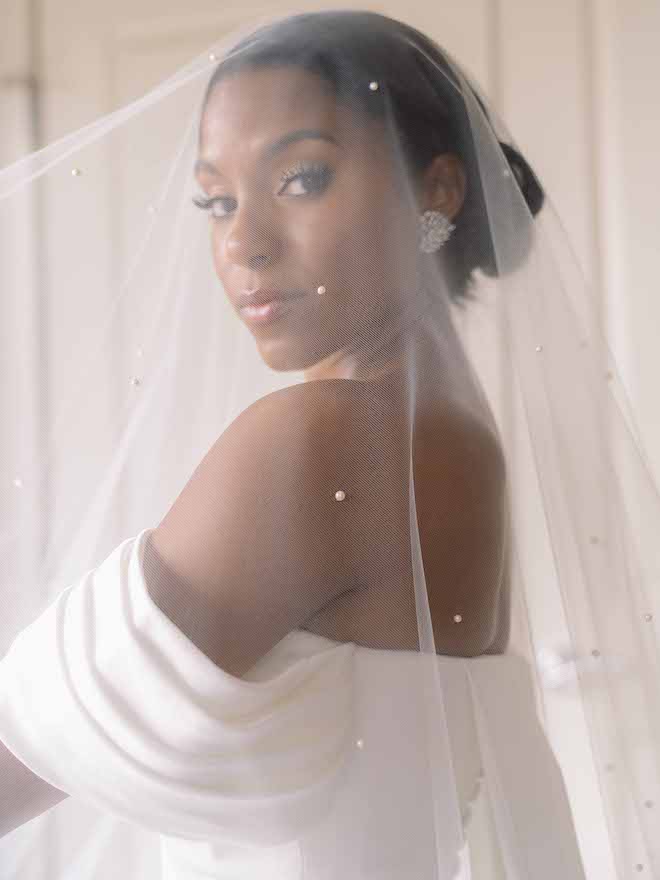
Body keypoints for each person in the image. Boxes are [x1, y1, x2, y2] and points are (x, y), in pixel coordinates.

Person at [0, 9, 658, 878]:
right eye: (216, 200)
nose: (243, 243)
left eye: (301, 179)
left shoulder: (324, 438)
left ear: (440, 190)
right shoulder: (457, 433)